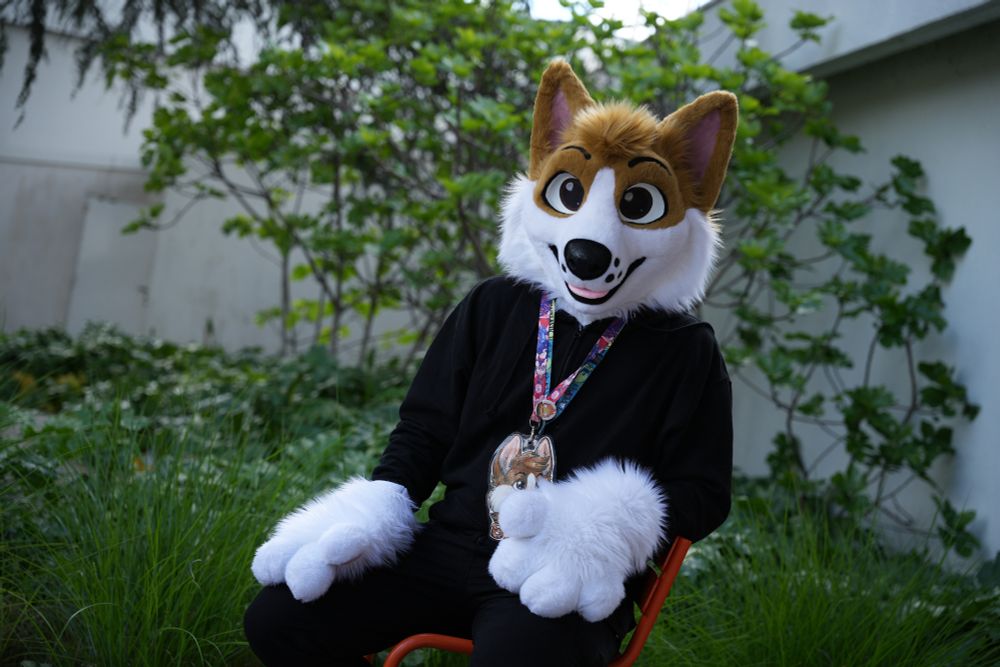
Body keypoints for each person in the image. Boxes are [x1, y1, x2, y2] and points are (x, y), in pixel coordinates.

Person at [244, 59, 737, 666]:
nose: (594, 239)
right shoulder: (493, 306)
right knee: (280, 618)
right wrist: (381, 505)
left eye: (634, 204)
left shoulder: (686, 351)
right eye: (572, 193)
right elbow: (424, 428)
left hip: (560, 573)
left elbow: (704, 491)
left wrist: (603, 524)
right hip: (447, 547)